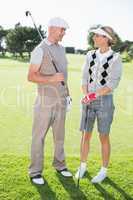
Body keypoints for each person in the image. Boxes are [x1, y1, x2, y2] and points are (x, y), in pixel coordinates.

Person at [75, 25, 122, 183]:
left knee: (103, 136)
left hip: (105, 102)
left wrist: (93, 95)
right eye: (94, 35)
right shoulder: (90, 54)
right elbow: (84, 77)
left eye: (97, 36)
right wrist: (86, 94)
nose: (94, 38)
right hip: (88, 99)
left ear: (106, 39)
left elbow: (112, 84)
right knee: (85, 135)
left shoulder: (115, 58)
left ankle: (103, 170)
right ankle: (82, 166)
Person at [28, 17, 72, 185]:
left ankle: (60, 165)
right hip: (45, 101)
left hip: (61, 100)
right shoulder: (39, 50)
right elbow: (31, 76)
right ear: (53, 29)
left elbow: (64, 77)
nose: (64, 33)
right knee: (38, 137)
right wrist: (52, 77)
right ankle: (35, 171)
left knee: (59, 136)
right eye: (62, 30)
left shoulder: (61, 49)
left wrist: (67, 95)